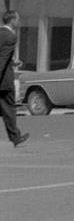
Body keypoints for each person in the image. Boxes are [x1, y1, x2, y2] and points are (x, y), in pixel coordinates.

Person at [0, 11, 28, 149]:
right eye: (17, 19)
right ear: (12, 20)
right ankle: (15, 137)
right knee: (9, 109)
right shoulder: (11, 36)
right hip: (4, 82)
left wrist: (12, 62)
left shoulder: (0, 33)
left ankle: (15, 136)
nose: (19, 21)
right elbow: (2, 59)